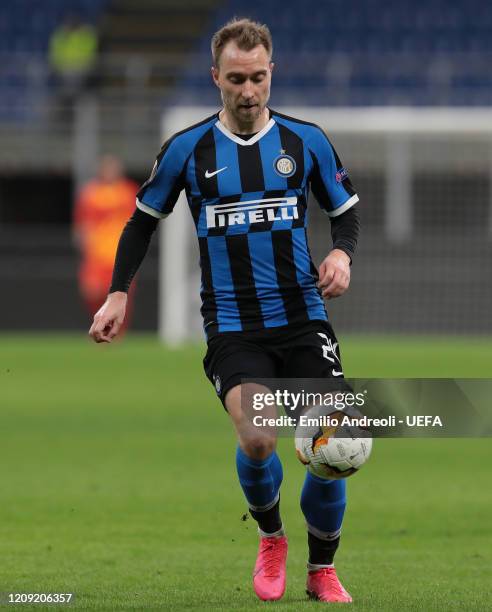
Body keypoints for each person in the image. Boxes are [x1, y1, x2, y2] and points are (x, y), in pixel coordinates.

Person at [89, 18, 360, 604]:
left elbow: (346, 212)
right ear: (216, 76)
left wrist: (341, 252)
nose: (247, 90)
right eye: (235, 78)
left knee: (332, 446)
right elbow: (141, 223)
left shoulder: (305, 140)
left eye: (257, 77)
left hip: (304, 316)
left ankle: (321, 569)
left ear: (271, 73)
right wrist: (118, 292)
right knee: (260, 438)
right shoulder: (188, 148)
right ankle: (271, 538)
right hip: (233, 325)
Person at [74, 155, 138, 330]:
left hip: (119, 253)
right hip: (97, 253)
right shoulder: (90, 192)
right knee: (92, 291)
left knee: (122, 293)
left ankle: (118, 332)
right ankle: (100, 324)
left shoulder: (128, 191)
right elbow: (83, 223)